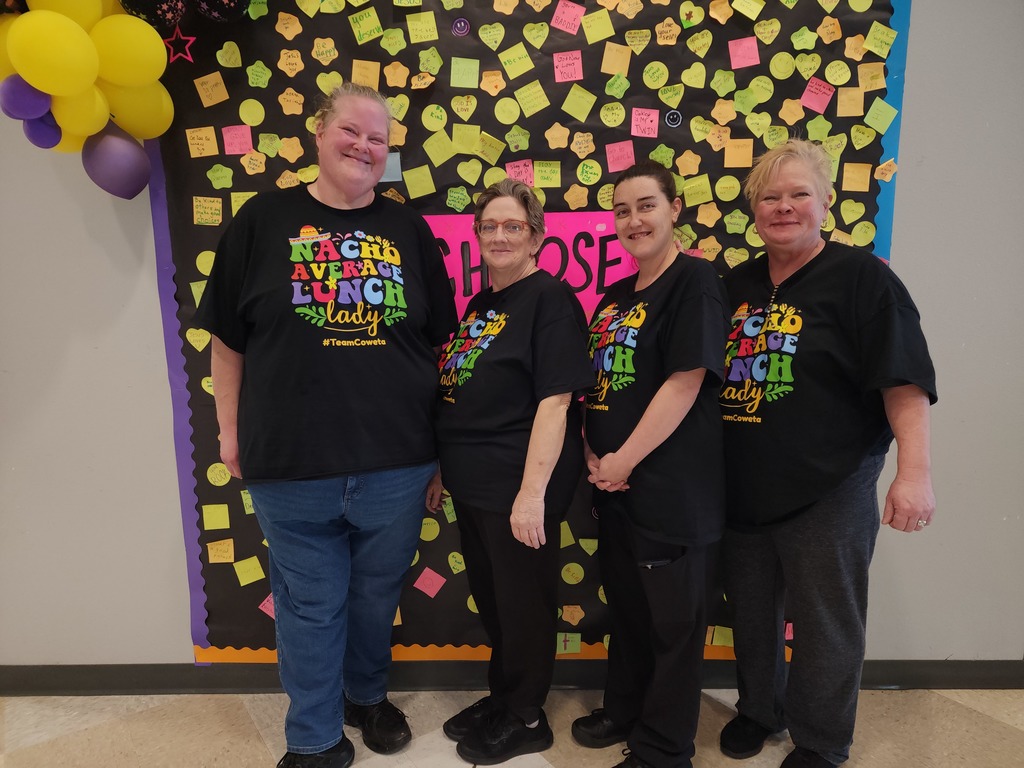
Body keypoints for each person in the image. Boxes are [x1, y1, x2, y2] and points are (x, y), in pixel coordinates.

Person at [195, 83, 457, 768]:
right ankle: (313, 737)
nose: (364, 147)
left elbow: (438, 347)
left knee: (375, 597)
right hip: (290, 463)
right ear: (318, 132)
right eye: (351, 130)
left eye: (379, 139)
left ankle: (366, 697)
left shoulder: (409, 231)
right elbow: (227, 340)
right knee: (311, 605)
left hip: (396, 462)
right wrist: (228, 431)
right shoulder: (261, 220)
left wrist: (437, 454)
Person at [717, 139, 937, 768]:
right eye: (770, 196)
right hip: (743, 486)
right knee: (753, 615)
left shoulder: (862, 278)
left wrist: (913, 474)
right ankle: (760, 709)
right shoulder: (736, 285)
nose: (783, 207)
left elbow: (904, 380)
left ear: (826, 202)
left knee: (825, 623)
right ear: (754, 208)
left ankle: (821, 740)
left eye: (798, 194)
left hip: (830, 486)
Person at [428, 179, 594, 765]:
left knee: (523, 602)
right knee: (494, 599)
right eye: (490, 226)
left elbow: (556, 402)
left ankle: (526, 715)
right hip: (473, 484)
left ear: (537, 239)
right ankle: (504, 696)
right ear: (477, 237)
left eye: (513, 227)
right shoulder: (481, 305)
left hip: (517, 484)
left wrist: (532, 495)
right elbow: (466, 396)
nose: (500, 235)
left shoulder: (549, 300)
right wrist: (443, 471)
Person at [572, 160, 731, 768]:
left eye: (646, 205)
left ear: (675, 209)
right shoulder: (613, 296)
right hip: (614, 488)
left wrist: (623, 458)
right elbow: (599, 384)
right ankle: (624, 709)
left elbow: (685, 380)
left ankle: (664, 748)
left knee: (673, 628)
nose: (633, 219)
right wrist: (592, 451)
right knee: (630, 614)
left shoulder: (694, 282)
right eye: (621, 210)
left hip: (671, 490)